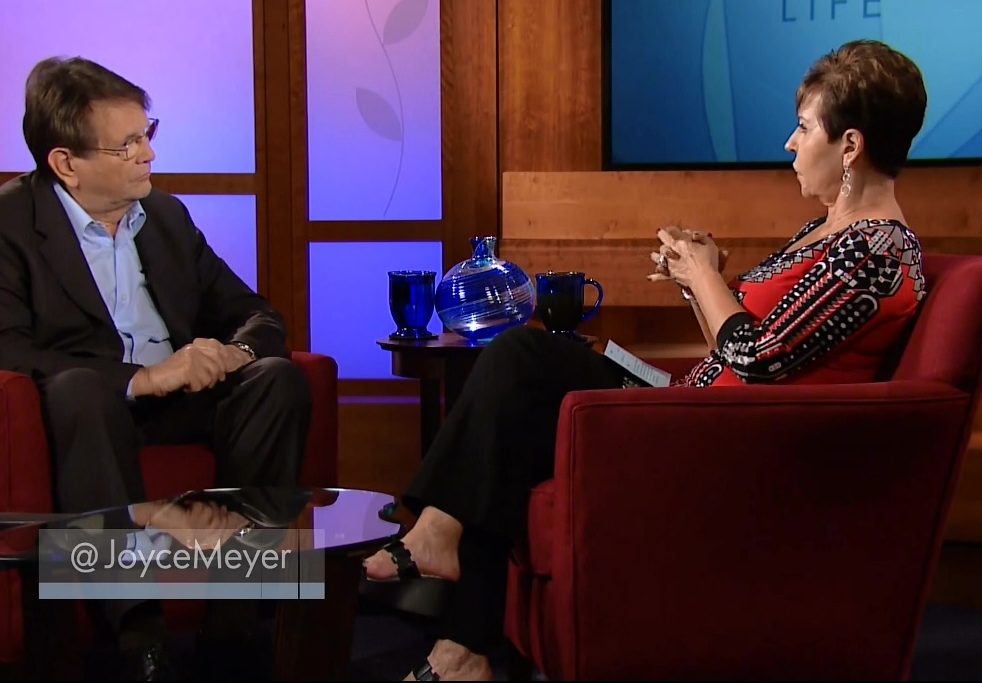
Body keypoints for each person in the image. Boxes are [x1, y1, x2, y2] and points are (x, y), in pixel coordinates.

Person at [362, 39, 930, 681]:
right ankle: (460, 645)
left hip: (722, 441)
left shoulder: (874, 252)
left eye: (804, 128)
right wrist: (698, 280)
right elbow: (738, 349)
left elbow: (757, 360)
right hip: (696, 411)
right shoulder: (829, 233)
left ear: (850, 146)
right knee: (521, 397)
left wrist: (705, 277)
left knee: (522, 357)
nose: (790, 144)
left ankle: (440, 545)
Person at [0, 56, 312, 680]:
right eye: (128, 144)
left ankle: (236, 626)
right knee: (81, 390)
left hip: (181, 403)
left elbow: (255, 313)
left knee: (277, 380)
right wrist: (140, 379)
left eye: (147, 133)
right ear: (66, 163)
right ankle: (138, 639)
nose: (149, 155)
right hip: (86, 418)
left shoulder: (164, 217)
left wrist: (235, 353)